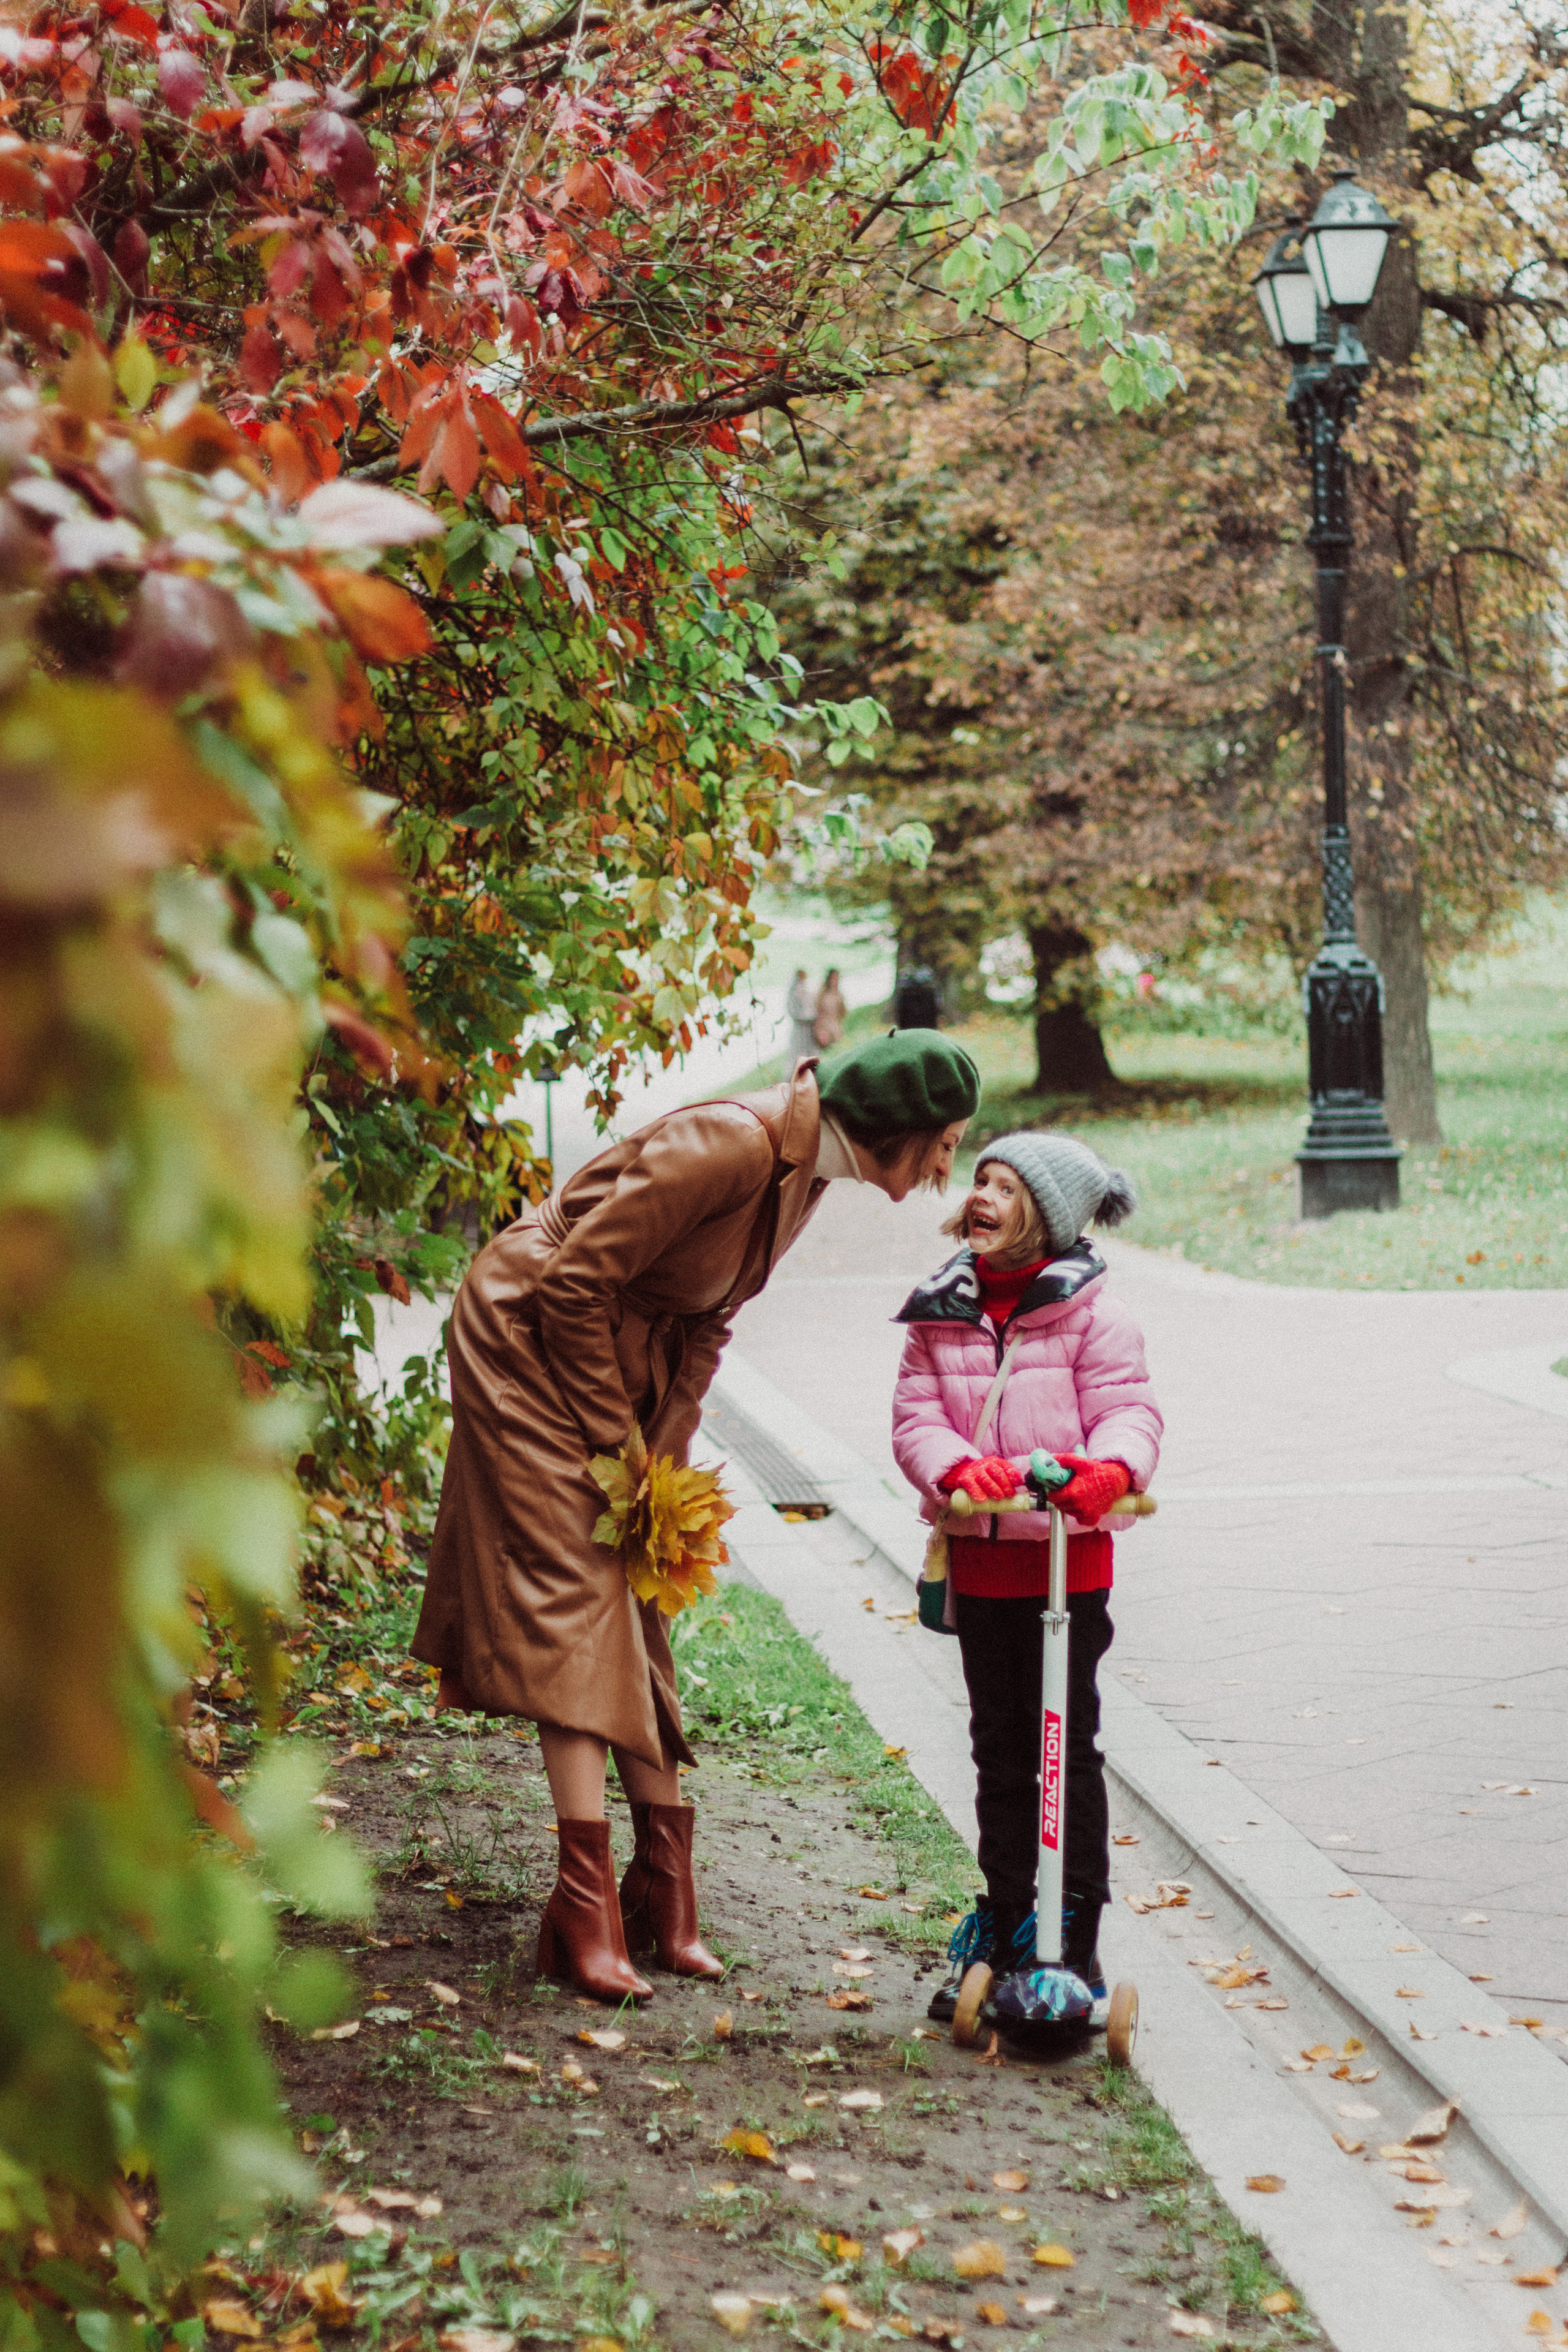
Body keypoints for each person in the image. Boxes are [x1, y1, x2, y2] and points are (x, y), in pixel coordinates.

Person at [412, 1031, 981, 2004]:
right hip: (527, 1338)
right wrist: (615, 1446)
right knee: (575, 1593)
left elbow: (712, 1317)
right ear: (897, 1127)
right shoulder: (733, 1142)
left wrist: (661, 1462)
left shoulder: (806, 1172)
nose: (946, 1167)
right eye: (943, 1142)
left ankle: (662, 1891)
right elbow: (571, 1282)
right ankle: (580, 1909)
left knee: (641, 1587)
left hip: (612, 1354)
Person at [889, 1132, 1161, 2030]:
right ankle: (1009, 1920)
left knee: (1065, 1746)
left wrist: (1110, 1471)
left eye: (1005, 1187)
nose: (983, 1196)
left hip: (1066, 1561)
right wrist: (958, 1470)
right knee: (1000, 1745)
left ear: (1044, 1214)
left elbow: (1130, 1408)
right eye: (979, 1180)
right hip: (985, 1563)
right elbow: (917, 1414)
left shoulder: (1092, 1314)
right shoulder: (939, 1309)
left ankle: (1073, 1933)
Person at [785, 968, 817, 1065]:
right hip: (800, 1028)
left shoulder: (805, 989)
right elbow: (794, 1012)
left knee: (810, 1049)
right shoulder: (794, 992)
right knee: (798, 1052)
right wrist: (806, 1018)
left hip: (809, 1027)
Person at [813, 967, 846, 1051]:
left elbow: (843, 1013)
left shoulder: (838, 995)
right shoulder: (822, 992)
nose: (835, 980)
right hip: (823, 1023)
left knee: (837, 1047)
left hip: (835, 1023)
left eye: (837, 978)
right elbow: (817, 1007)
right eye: (833, 978)